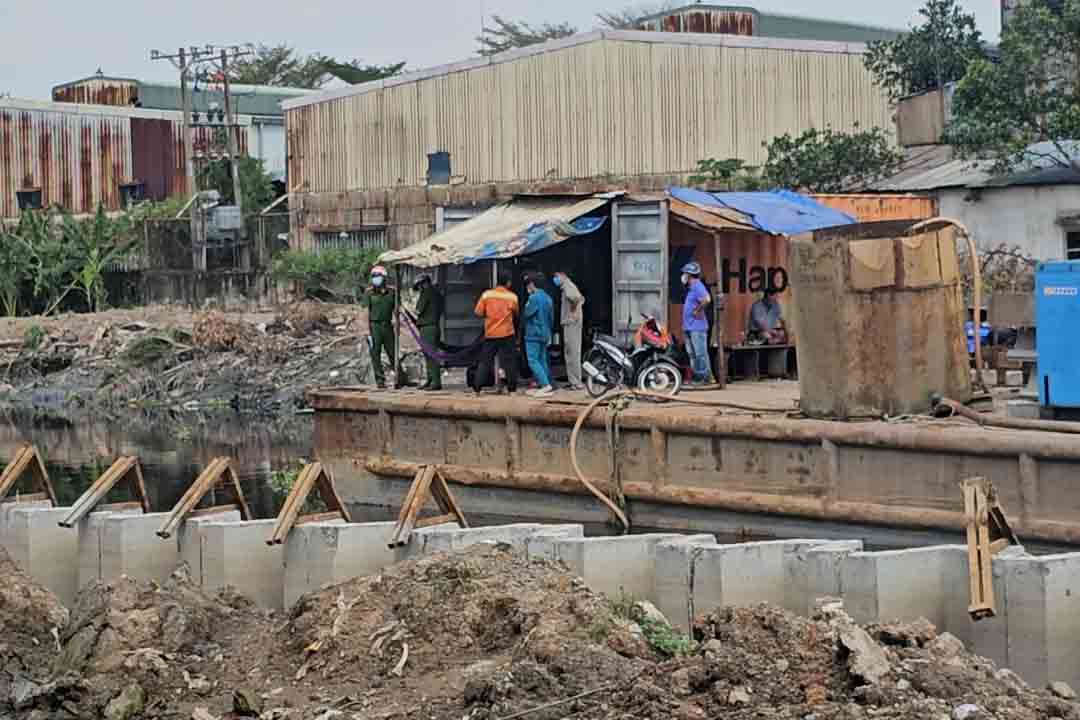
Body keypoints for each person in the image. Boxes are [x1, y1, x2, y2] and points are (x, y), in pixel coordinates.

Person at [472, 270, 520, 395]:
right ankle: (512, 390)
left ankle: (477, 388)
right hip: (507, 333)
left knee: (485, 361)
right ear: (508, 282)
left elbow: (478, 312)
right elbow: (516, 314)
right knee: (510, 362)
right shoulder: (512, 297)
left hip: (491, 333)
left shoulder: (486, 295)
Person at [523, 272, 555, 398]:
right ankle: (546, 385)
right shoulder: (548, 298)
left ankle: (546, 385)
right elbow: (551, 318)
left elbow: (527, 313)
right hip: (545, 333)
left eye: (528, 285)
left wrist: (527, 302)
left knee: (532, 360)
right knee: (542, 360)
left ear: (531, 284)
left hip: (533, 334)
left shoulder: (533, 298)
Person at [680, 261, 713, 384]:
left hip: (697, 328)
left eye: (684, 273)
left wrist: (697, 310)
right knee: (692, 354)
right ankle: (697, 377)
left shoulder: (698, 285)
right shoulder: (691, 288)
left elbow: (707, 299)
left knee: (700, 354)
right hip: (689, 327)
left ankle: (704, 377)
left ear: (689, 275)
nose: (683, 276)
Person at [553, 271, 585, 391]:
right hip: (572, 322)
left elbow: (576, 299)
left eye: (556, 276)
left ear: (563, 275)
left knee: (572, 352)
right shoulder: (567, 286)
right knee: (572, 352)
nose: (555, 279)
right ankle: (575, 382)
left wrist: (572, 313)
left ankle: (576, 382)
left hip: (571, 323)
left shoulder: (567, 286)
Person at [366, 265, 397, 389]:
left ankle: (400, 378)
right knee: (375, 354)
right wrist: (366, 331)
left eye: (377, 276)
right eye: (373, 276)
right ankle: (380, 381)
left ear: (384, 278)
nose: (375, 279)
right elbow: (365, 312)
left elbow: (397, 310)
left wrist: (399, 325)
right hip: (375, 327)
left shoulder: (392, 292)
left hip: (388, 326)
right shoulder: (369, 293)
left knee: (393, 352)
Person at [413, 273, 444, 391]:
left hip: (427, 328)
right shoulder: (438, 294)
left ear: (423, 284)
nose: (419, 288)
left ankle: (435, 381)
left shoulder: (426, 293)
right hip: (435, 326)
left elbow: (418, 311)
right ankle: (431, 379)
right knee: (430, 354)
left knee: (430, 355)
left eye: (420, 286)